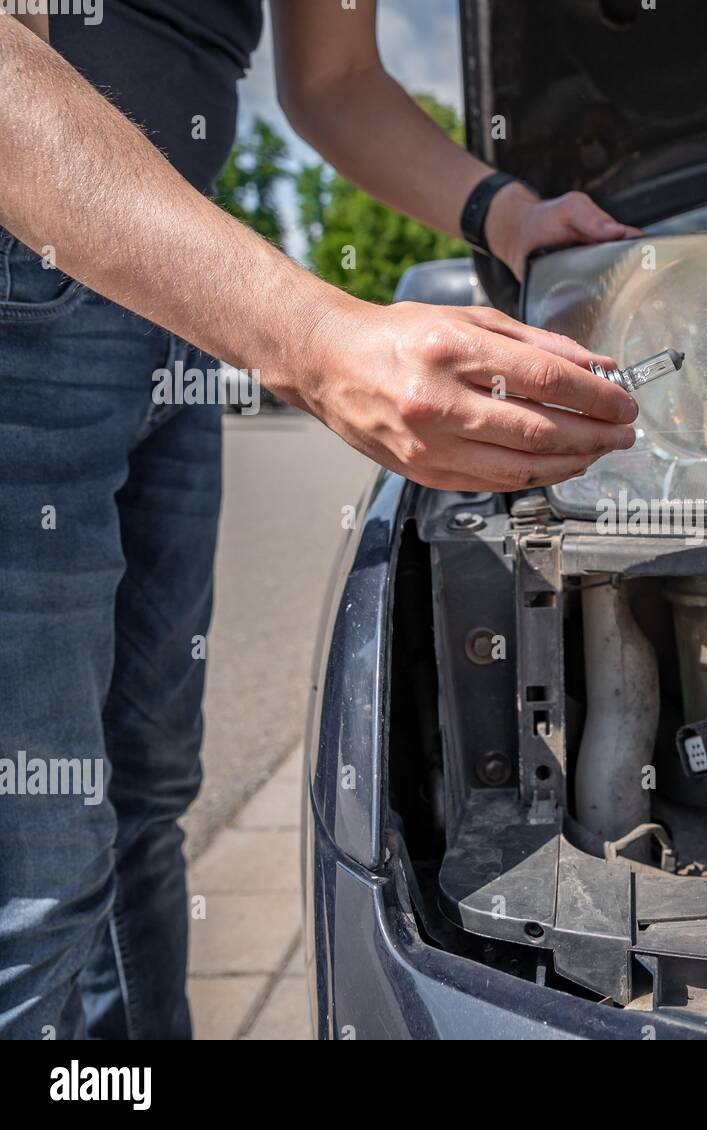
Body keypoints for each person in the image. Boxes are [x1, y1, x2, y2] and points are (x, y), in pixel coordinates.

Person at [0, 1, 640, 1039]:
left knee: (143, 800)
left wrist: (509, 214)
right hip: (20, 269)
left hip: (171, 288)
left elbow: (335, 79)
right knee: (30, 877)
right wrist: (307, 335)